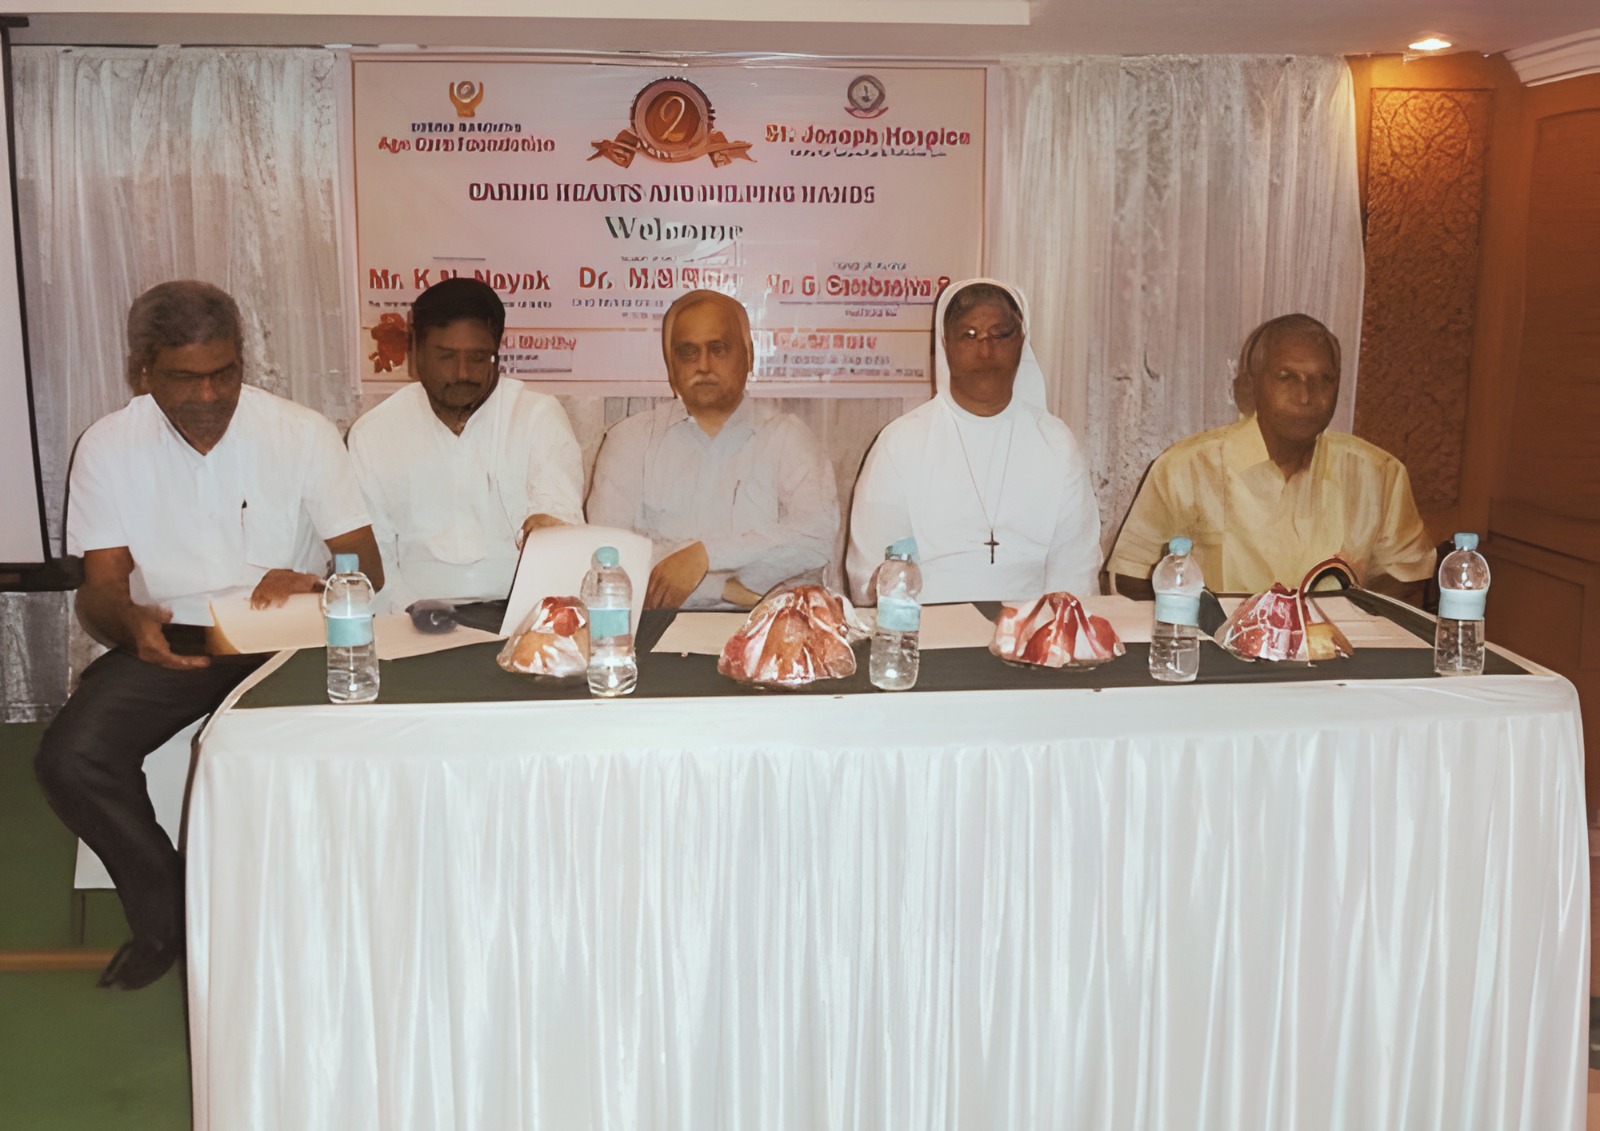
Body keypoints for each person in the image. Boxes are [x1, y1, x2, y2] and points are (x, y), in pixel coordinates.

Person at [34, 281, 381, 990]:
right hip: (175, 638)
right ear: (143, 372)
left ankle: (337, 926)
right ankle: (171, 919)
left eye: (225, 372)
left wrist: (315, 582)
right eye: (185, 378)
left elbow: (365, 566)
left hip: (288, 635)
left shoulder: (299, 431)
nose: (210, 394)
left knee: (345, 749)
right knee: (71, 757)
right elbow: (100, 589)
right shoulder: (108, 446)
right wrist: (129, 625)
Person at [1105, 313, 1435, 598]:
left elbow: (1407, 572)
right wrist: (1203, 620)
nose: (1306, 396)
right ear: (1250, 386)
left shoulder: (1378, 474)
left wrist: (1346, 616)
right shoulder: (1186, 469)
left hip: (1334, 649)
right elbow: (1129, 576)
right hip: (1218, 648)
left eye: (1324, 379)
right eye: (1286, 377)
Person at [846, 278, 1101, 605]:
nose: (985, 351)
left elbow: (1076, 572)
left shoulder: (1056, 443)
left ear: (1022, 340)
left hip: (1034, 627)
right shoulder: (899, 444)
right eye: (969, 335)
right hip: (924, 626)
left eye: (1000, 334)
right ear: (946, 346)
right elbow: (871, 575)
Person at [586, 289, 840, 609]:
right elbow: (607, 557)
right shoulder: (630, 441)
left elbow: (815, 541)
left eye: (718, 349)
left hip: (768, 627)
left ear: (749, 356)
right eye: (688, 352)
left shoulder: (788, 439)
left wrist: (705, 556)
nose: (703, 365)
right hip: (656, 628)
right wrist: (721, 588)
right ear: (671, 366)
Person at [347, 278, 583, 609]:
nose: (462, 373)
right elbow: (377, 559)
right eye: (446, 356)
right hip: (412, 616)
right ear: (415, 352)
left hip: (519, 614)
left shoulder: (536, 415)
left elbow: (559, 524)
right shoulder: (374, 432)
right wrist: (414, 619)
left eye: (477, 357)